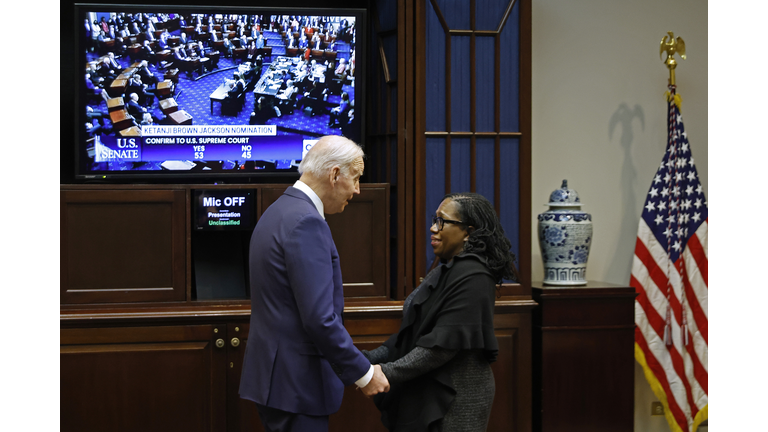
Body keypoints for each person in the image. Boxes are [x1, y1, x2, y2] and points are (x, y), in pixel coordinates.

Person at [239, 136, 390, 432]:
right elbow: (320, 319)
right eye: (356, 178)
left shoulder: (279, 210)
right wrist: (364, 373)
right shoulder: (306, 222)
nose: (358, 190)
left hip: (277, 381)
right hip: (297, 385)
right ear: (334, 175)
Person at [364, 192, 519, 432]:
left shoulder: (475, 275)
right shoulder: (446, 269)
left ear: (468, 231)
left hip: (455, 397)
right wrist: (364, 359)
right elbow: (411, 334)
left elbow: (440, 348)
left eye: (441, 221)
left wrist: (385, 372)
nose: (432, 228)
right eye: (435, 220)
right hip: (426, 387)